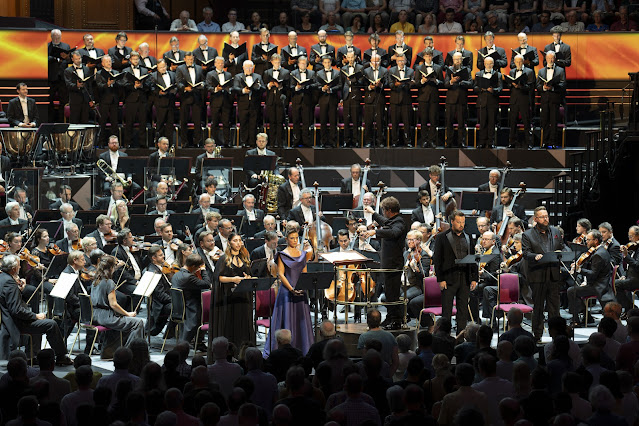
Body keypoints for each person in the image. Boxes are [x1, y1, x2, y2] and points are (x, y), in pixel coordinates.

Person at [0, 254, 73, 365]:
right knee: (51, 324)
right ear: (14, 268)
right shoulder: (10, 283)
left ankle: (33, 355)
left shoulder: (3, 278)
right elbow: (16, 310)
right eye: (19, 266)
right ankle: (61, 356)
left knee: (42, 323)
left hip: (10, 319)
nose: (20, 268)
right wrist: (35, 316)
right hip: (16, 322)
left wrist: (20, 289)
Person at [263, 228, 314, 357]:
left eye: (297, 238)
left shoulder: (303, 254)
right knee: (286, 320)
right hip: (287, 292)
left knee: (301, 320)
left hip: (300, 291)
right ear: (286, 239)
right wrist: (291, 289)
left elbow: (304, 272)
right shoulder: (282, 254)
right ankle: (285, 351)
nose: (295, 240)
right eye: (292, 238)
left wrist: (303, 286)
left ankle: (302, 348)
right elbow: (280, 274)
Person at [362, 196, 408, 329]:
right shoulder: (394, 220)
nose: (383, 213)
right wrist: (373, 213)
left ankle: (396, 321)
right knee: (389, 293)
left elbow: (393, 232)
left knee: (392, 294)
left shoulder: (400, 223)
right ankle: (390, 317)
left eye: (383, 210)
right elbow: (386, 223)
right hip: (388, 264)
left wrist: (374, 231)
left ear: (388, 210)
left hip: (394, 265)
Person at [522, 206, 565, 340]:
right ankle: (537, 335)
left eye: (546, 216)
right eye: (542, 217)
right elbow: (526, 253)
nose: (546, 219)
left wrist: (562, 253)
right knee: (539, 307)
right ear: (535, 219)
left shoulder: (555, 231)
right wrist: (535, 256)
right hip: (538, 275)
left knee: (554, 308)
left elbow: (562, 246)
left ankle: (556, 335)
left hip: (553, 275)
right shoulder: (527, 234)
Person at [432, 210, 478, 333]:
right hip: (448, 278)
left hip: (465, 278)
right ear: (452, 222)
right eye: (458, 222)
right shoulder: (442, 237)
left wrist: (474, 278)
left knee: (462, 310)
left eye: (463, 222)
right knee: (446, 310)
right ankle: (444, 336)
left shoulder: (468, 237)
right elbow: (437, 259)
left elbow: (474, 258)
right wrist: (440, 279)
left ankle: (461, 336)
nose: (461, 224)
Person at [90, 254, 144, 348]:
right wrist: (128, 313)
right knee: (138, 322)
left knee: (125, 321)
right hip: (105, 317)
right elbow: (113, 304)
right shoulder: (109, 282)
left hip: (94, 314)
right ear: (112, 268)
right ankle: (131, 351)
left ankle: (111, 350)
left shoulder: (95, 280)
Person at [212, 233, 254, 347]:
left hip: (243, 296)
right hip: (229, 298)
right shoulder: (224, 259)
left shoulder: (244, 258)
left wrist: (248, 278)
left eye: (240, 240)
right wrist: (233, 279)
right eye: (235, 240)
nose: (238, 243)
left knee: (243, 323)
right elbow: (218, 278)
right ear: (229, 242)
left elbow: (248, 275)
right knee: (231, 325)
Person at [568, 230, 613, 326]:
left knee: (571, 291)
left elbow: (593, 274)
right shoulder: (601, 251)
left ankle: (577, 320)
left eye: (588, 240)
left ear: (596, 240)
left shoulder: (598, 255)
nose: (586, 242)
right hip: (601, 283)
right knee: (573, 290)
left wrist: (579, 269)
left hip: (599, 286)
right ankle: (586, 316)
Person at [171, 253, 211, 346]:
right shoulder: (189, 277)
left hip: (179, 309)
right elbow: (207, 284)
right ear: (193, 266)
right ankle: (198, 341)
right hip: (191, 310)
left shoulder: (176, 275)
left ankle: (199, 342)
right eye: (197, 268)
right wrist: (203, 270)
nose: (198, 269)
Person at [414, 48, 444, 148]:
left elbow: (442, 83)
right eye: (427, 56)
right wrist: (422, 81)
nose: (429, 57)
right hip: (423, 97)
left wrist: (437, 82)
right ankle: (424, 140)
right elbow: (416, 83)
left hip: (434, 98)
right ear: (424, 57)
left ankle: (432, 140)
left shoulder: (438, 68)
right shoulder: (419, 68)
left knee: (433, 121)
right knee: (423, 121)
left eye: (430, 56)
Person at [537, 50, 566, 149]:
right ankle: (545, 142)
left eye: (552, 58)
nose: (550, 59)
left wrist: (553, 88)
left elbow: (563, 85)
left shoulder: (560, 70)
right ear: (546, 59)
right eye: (548, 58)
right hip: (545, 99)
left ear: (555, 59)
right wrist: (544, 88)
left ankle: (553, 142)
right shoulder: (541, 71)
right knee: (544, 121)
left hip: (554, 99)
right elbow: (538, 85)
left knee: (554, 122)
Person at [122, 51, 151, 148]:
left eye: (137, 59)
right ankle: (128, 143)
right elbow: (124, 85)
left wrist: (142, 86)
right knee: (129, 122)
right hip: (131, 99)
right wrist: (134, 86)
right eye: (133, 59)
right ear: (130, 60)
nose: (135, 61)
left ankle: (142, 143)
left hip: (142, 100)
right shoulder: (126, 71)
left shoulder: (144, 70)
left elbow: (149, 85)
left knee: (143, 122)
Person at [176, 52, 205, 148]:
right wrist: (184, 88)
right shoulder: (180, 69)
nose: (190, 61)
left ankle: (197, 141)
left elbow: (203, 81)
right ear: (184, 59)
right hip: (185, 98)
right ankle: (184, 142)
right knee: (183, 121)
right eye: (189, 59)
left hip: (196, 97)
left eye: (192, 59)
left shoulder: (199, 68)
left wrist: (202, 85)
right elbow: (178, 82)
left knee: (197, 122)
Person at [234, 60, 265, 148]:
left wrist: (258, 87)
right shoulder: (238, 76)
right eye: (247, 67)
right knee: (243, 123)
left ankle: (252, 142)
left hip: (254, 104)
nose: (249, 69)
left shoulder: (257, 76)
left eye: (250, 67)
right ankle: (244, 142)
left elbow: (263, 88)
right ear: (243, 68)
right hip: (243, 104)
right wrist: (243, 91)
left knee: (253, 124)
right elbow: (235, 88)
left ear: (253, 68)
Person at [444, 52, 472, 148]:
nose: (458, 61)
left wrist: (461, 82)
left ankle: (461, 142)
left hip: (461, 99)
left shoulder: (467, 70)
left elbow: (470, 83)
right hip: (450, 100)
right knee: (449, 122)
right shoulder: (449, 69)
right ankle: (449, 142)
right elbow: (445, 84)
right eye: (456, 59)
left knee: (461, 123)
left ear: (462, 60)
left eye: (459, 59)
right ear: (453, 60)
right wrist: (452, 81)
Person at [507, 54, 535, 149]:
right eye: (517, 62)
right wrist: (511, 84)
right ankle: (512, 142)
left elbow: (530, 87)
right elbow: (508, 86)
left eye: (520, 61)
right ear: (514, 62)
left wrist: (520, 86)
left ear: (523, 62)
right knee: (513, 122)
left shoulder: (529, 72)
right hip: (514, 99)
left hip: (524, 99)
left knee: (527, 122)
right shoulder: (511, 71)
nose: (518, 63)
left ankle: (529, 142)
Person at [473, 56, 502, 149]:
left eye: (490, 63)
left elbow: (500, 88)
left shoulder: (498, 75)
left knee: (491, 123)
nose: (489, 65)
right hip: (482, 102)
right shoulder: (478, 74)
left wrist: (494, 90)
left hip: (493, 102)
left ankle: (490, 142)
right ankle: (482, 142)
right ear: (484, 64)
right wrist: (481, 88)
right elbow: (475, 87)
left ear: (493, 64)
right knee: (483, 123)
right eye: (487, 63)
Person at [262, 54, 289, 148]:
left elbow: (288, 87)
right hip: (270, 100)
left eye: (278, 62)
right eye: (275, 62)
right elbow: (263, 86)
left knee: (279, 122)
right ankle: (272, 143)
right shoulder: (267, 72)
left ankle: (280, 143)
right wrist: (269, 85)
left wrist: (280, 86)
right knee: (272, 122)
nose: (277, 63)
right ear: (271, 62)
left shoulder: (286, 72)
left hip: (280, 100)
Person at [289, 56, 316, 147]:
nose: (303, 65)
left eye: (305, 63)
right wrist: (297, 87)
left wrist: (307, 86)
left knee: (306, 122)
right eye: (301, 63)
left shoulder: (312, 73)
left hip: (307, 100)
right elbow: (290, 87)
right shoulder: (293, 73)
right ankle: (296, 141)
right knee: (296, 121)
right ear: (298, 64)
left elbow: (315, 85)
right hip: (296, 100)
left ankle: (306, 142)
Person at [362, 52, 387, 148]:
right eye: (373, 61)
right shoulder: (366, 71)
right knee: (368, 121)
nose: (375, 63)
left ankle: (380, 141)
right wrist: (369, 87)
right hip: (369, 99)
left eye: (377, 61)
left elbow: (388, 84)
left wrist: (381, 85)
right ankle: (368, 141)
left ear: (380, 62)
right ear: (370, 62)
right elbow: (363, 84)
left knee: (380, 121)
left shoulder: (384, 71)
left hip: (380, 99)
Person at [387, 54, 413, 147]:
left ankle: (408, 141)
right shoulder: (391, 70)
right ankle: (394, 141)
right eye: (399, 61)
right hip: (395, 99)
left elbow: (412, 84)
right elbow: (389, 84)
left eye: (402, 61)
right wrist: (396, 85)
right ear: (396, 62)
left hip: (406, 100)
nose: (401, 63)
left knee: (407, 122)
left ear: (406, 61)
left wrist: (407, 84)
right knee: (395, 122)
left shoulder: (411, 71)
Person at [315, 56, 339, 148]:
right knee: (323, 121)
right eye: (325, 62)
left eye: (329, 62)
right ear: (322, 63)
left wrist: (332, 89)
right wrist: (322, 88)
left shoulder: (337, 73)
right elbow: (316, 85)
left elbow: (340, 85)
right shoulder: (319, 73)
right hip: (323, 99)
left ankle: (332, 141)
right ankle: (323, 141)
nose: (327, 64)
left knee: (333, 121)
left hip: (333, 99)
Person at [64, 50, 93, 124]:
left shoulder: (86, 69)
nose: (78, 60)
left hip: (85, 100)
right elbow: (68, 84)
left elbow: (89, 85)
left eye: (79, 58)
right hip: (75, 100)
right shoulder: (68, 71)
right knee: (74, 121)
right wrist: (76, 86)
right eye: (76, 59)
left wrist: (91, 99)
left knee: (85, 121)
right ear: (72, 59)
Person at [614, 226, 639, 314]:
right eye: (629, 236)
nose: (629, 239)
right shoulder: (634, 247)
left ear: (638, 236)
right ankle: (630, 309)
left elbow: (637, 265)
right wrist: (624, 275)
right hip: (631, 277)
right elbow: (629, 266)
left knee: (615, 284)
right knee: (614, 282)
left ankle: (631, 308)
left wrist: (626, 256)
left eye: (631, 236)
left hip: (637, 279)